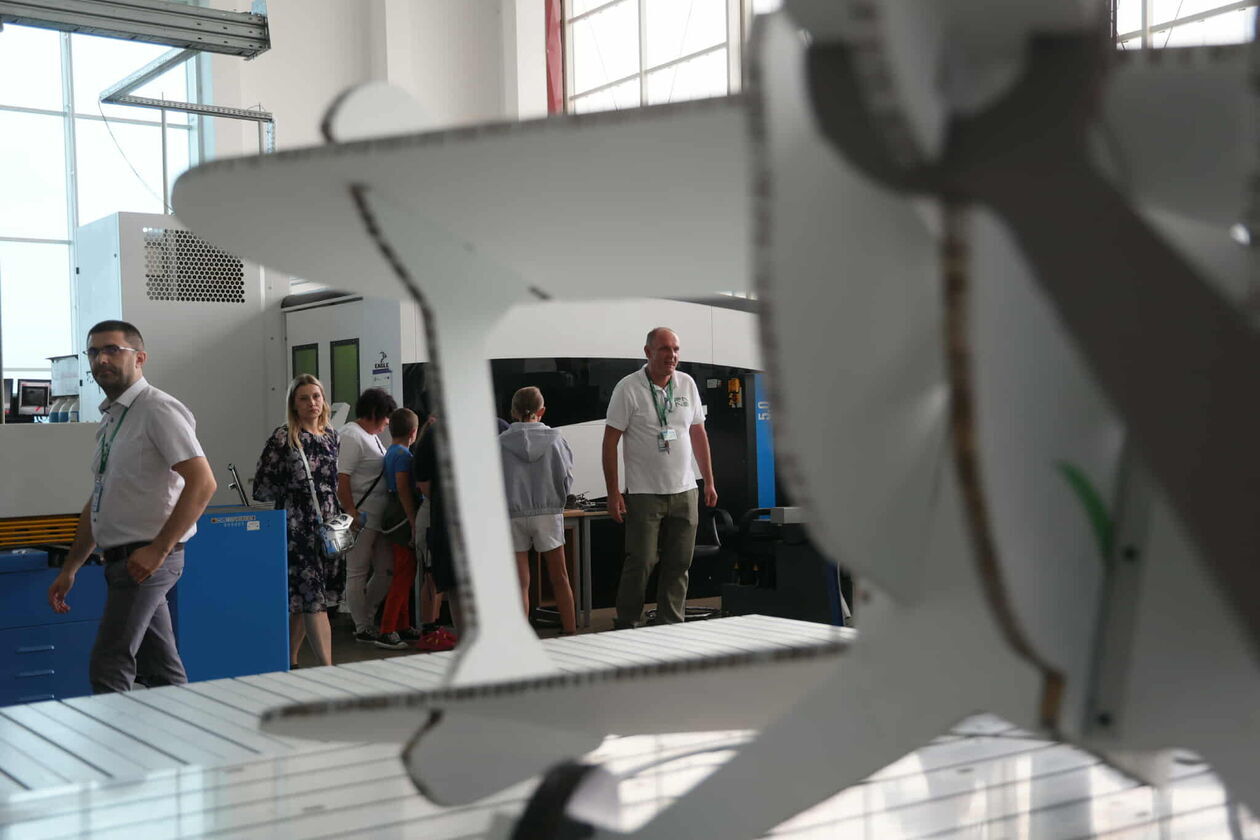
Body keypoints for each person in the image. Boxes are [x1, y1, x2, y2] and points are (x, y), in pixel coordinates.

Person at [47, 320, 217, 693]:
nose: (101, 360)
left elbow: (203, 482)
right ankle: (184, 727)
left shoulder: (158, 409)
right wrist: (71, 567)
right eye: (94, 352)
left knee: (109, 665)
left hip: (145, 559)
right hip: (123, 560)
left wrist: (158, 550)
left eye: (112, 350)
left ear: (139, 358)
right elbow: (100, 499)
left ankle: (116, 735)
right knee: (161, 671)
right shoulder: (114, 418)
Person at [603, 327, 717, 629]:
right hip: (644, 492)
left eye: (676, 349)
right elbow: (609, 442)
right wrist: (613, 492)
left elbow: (698, 433)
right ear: (648, 352)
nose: (672, 355)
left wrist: (708, 480)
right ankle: (627, 622)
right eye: (665, 349)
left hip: (685, 490)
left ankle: (671, 624)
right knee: (641, 561)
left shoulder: (687, 384)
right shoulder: (628, 388)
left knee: (679, 563)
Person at [251, 374, 343, 667]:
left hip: (327, 527)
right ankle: (328, 669)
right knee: (313, 598)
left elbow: (334, 482)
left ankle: (289, 662)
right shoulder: (283, 438)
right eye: (304, 398)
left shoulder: (331, 436)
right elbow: (262, 487)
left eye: (316, 396)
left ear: (324, 400)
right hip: (297, 527)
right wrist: (295, 490)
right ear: (293, 404)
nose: (312, 403)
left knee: (306, 599)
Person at [500, 386, 577, 635]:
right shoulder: (556, 439)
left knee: (521, 584)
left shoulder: (499, 443)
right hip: (548, 513)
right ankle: (570, 631)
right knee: (560, 577)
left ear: (513, 412)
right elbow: (567, 476)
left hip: (512, 514)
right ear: (541, 411)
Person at [336, 388, 397, 644]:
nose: (387, 422)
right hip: (360, 517)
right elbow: (342, 478)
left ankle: (367, 618)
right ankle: (362, 625)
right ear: (374, 412)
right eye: (386, 416)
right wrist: (351, 511)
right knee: (357, 571)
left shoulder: (370, 436)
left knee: (386, 569)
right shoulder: (351, 435)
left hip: (377, 519)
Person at [375, 407, 423, 650]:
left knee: (405, 571)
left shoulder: (391, 451)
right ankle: (387, 629)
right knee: (404, 573)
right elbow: (404, 488)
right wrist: (413, 521)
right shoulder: (404, 456)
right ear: (413, 432)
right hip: (402, 515)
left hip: (393, 512)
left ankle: (403, 624)